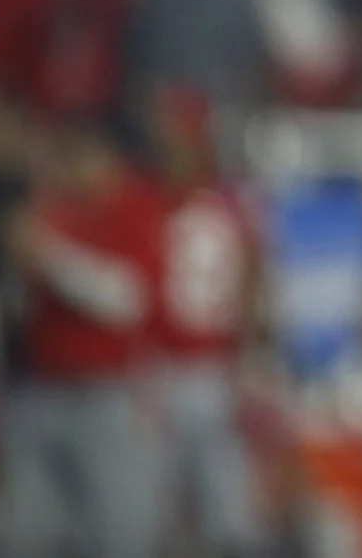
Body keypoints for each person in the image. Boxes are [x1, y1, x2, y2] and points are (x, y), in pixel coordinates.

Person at [1, 122, 166, 558]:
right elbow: (20, 307)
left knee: (115, 530)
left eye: (83, 158)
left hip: (105, 391)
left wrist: (50, 258)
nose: (74, 170)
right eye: (67, 158)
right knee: (29, 532)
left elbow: (127, 299)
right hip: (37, 387)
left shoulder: (136, 209)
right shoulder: (47, 209)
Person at [149, 84, 267, 557]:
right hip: (163, 368)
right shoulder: (216, 206)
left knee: (221, 499)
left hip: (209, 366)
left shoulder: (199, 207)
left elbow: (254, 281)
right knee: (164, 502)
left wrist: (248, 354)